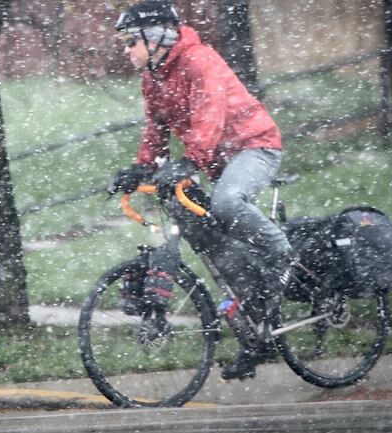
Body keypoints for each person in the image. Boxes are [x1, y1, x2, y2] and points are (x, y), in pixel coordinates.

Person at [109, 0, 293, 381]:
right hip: (216, 158)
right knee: (219, 250)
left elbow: (210, 112)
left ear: (154, 36)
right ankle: (254, 337)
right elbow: (156, 129)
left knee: (226, 203)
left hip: (254, 146)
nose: (126, 51)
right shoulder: (153, 77)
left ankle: (281, 251)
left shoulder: (198, 60)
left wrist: (190, 160)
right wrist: (142, 168)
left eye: (130, 42)